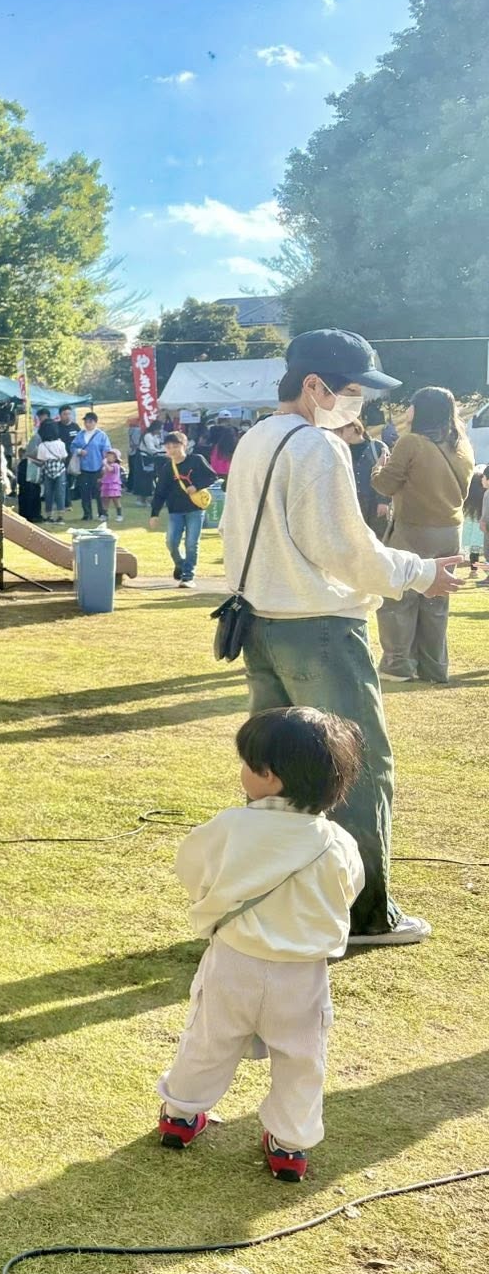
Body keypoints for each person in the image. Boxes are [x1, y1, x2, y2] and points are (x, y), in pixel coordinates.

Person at [220, 330, 465, 948]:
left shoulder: (256, 438)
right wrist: (420, 572)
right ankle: (363, 913)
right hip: (321, 626)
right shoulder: (316, 444)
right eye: (353, 390)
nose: (361, 403)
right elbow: (344, 549)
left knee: (275, 769)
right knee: (355, 766)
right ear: (315, 386)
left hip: (260, 622)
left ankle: (276, 896)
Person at [156, 707, 364, 1183]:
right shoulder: (336, 841)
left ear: (269, 775)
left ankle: (180, 1116)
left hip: (235, 960)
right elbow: (348, 890)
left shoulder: (230, 826)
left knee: (208, 1039)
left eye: (248, 763)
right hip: (302, 973)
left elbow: (192, 868)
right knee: (301, 1057)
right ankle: (290, 1144)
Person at [371, 386, 473, 684]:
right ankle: (434, 667)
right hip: (450, 532)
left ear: (420, 410)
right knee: (436, 600)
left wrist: (377, 470)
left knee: (400, 595)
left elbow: (385, 485)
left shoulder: (411, 442)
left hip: (413, 529)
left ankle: (398, 665)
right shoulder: (462, 446)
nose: (407, 411)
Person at [149, 430, 216, 587]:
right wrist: (154, 514)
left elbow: (212, 476)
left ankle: (188, 576)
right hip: (175, 510)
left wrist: (196, 486)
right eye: (168, 447)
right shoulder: (167, 468)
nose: (172, 450)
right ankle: (180, 564)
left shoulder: (196, 460)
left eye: (175, 446)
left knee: (192, 543)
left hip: (195, 508)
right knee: (171, 542)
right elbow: (160, 492)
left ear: (184, 445)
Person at [336, 418, 384, 531]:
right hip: (354, 504)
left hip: (375, 502)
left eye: (340, 430)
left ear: (353, 428)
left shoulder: (377, 447)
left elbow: (386, 474)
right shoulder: (341, 450)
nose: (337, 434)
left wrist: (383, 501)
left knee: (379, 536)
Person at [71, 411, 112, 521]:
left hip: (98, 467)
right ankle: (87, 513)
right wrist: (79, 451)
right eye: (86, 422)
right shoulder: (80, 435)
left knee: (99, 492)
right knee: (85, 492)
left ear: (95, 422)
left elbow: (107, 451)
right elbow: (72, 447)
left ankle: (102, 513)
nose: (87, 424)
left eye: (90, 422)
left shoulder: (101, 435)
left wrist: (105, 465)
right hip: (83, 468)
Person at [35, 427, 71, 520]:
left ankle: (49, 515)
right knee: (60, 492)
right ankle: (60, 515)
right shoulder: (61, 443)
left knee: (48, 493)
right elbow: (64, 457)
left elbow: (41, 459)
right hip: (60, 468)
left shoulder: (42, 445)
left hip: (47, 469)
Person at [99, 448, 126, 524]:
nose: (108, 458)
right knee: (105, 500)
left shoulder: (116, 465)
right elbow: (105, 473)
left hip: (114, 485)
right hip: (106, 485)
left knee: (115, 500)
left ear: (115, 458)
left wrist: (105, 463)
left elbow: (110, 469)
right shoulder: (106, 466)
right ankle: (104, 514)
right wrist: (101, 479)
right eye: (108, 456)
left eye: (111, 456)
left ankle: (119, 515)